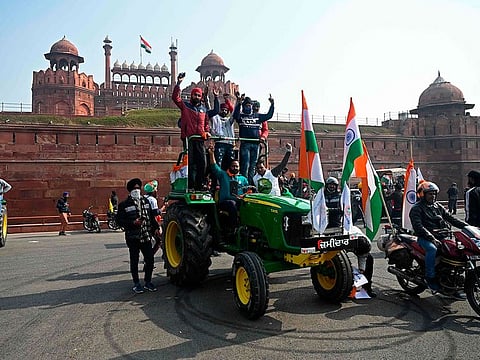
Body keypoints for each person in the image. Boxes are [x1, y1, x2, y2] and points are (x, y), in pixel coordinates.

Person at [409, 181, 468, 292]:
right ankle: (430, 277)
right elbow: (418, 226)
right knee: (432, 249)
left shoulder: (437, 206)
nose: (433, 196)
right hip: (425, 238)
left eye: (434, 193)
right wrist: (431, 237)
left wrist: (468, 227)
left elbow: (451, 219)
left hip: (442, 236)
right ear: (423, 194)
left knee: (457, 250)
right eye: (430, 194)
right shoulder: (417, 208)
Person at [324, 176, 376, 297]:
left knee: (370, 259)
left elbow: (346, 211)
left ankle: (367, 286)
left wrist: (361, 270)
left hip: (341, 227)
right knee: (333, 258)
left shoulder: (341, 196)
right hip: (325, 229)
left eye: (334, 185)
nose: (332, 187)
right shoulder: (321, 196)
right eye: (330, 185)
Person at [172, 72, 219, 190]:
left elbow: (206, 123)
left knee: (202, 163)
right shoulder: (186, 106)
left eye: (199, 95)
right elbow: (175, 98)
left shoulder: (203, 109)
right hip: (189, 138)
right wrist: (178, 83)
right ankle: (191, 186)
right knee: (191, 164)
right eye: (195, 95)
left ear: (201, 97)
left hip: (200, 139)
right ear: (191, 96)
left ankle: (199, 185)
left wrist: (207, 131)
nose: (197, 97)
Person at [116, 178, 157, 294]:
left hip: (146, 236)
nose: (137, 190)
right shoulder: (124, 205)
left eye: (138, 188)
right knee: (134, 260)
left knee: (150, 259)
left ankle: (148, 281)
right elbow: (119, 221)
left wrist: (157, 228)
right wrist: (133, 223)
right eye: (134, 189)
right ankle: (136, 283)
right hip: (133, 237)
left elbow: (151, 218)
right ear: (130, 191)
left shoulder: (146, 202)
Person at [233, 94, 274, 185]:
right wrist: (239, 103)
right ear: (243, 107)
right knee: (245, 165)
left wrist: (272, 104)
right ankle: (244, 184)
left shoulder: (257, 116)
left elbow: (269, 115)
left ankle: (251, 185)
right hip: (245, 144)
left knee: (253, 166)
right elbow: (235, 115)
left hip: (256, 144)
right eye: (246, 106)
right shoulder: (241, 116)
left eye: (249, 105)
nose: (248, 107)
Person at [207, 144, 249, 231]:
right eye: (233, 166)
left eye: (237, 166)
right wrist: (211, 154)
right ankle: (234, 229)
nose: (235, 167)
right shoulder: (223, 175)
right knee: (231, 204)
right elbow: (214, 167)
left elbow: (248, 191)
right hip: (225, 203)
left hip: (240, 202)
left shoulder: (243, 179)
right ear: (229, 167)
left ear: (239, 168)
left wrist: (244, 196)